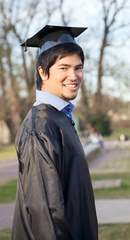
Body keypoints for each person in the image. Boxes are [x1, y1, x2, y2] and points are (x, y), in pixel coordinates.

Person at [11, 25, 98, 240]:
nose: (74, 75)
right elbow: (46, 214)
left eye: (78, 68)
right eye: (64, 67)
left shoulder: (59, 117)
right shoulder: (40, 127)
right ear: (42, 72)